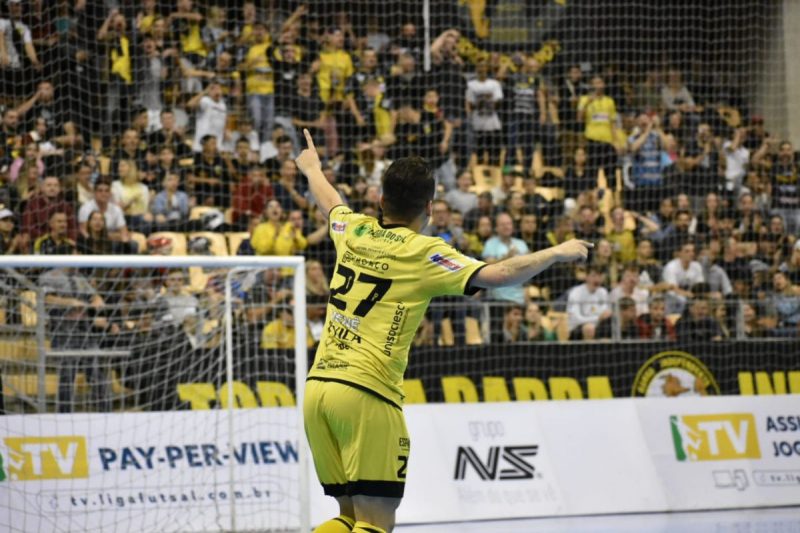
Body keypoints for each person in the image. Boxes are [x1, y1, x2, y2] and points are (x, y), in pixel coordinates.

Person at [294, 129, 591, 533]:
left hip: (318, 389)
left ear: (381, 201)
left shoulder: (354, 230)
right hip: (367, 392)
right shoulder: (424, 252)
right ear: (429, 208)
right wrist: (556, 252)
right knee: (376, 525)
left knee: (349, 520)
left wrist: (312, 168)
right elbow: (498, 274)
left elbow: (331, 201)